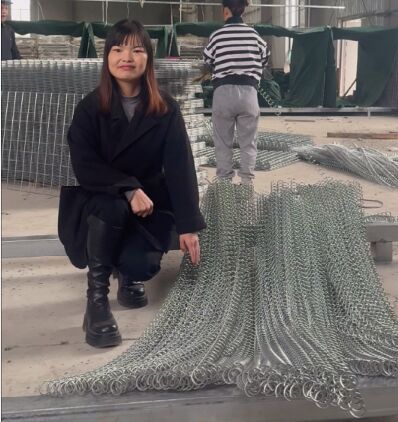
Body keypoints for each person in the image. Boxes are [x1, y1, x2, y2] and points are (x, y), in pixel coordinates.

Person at [58, 19, 206, 348]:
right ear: (107, 58)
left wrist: (188, 225)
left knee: (141, 264)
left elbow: (180, 167)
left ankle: (128, 275)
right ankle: (96, 301)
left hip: (147, 209)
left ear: (148, 59)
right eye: (118, 49)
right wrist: (128, 188)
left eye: (137, 50)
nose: (127, 57)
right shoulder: (90, 108)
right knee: (111, 206)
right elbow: (84, 165)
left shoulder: (165, 108)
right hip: (99, 207)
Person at [203, 0, 269, 185]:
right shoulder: (254, 35)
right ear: (243, 11)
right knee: (248, 142)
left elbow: (207, 61)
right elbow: (265, 57)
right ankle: (247, 183)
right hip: (249, 94)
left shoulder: (217, 35)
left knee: (223, 142)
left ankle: (225, 184)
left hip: (223, 93)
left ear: (226, 11)